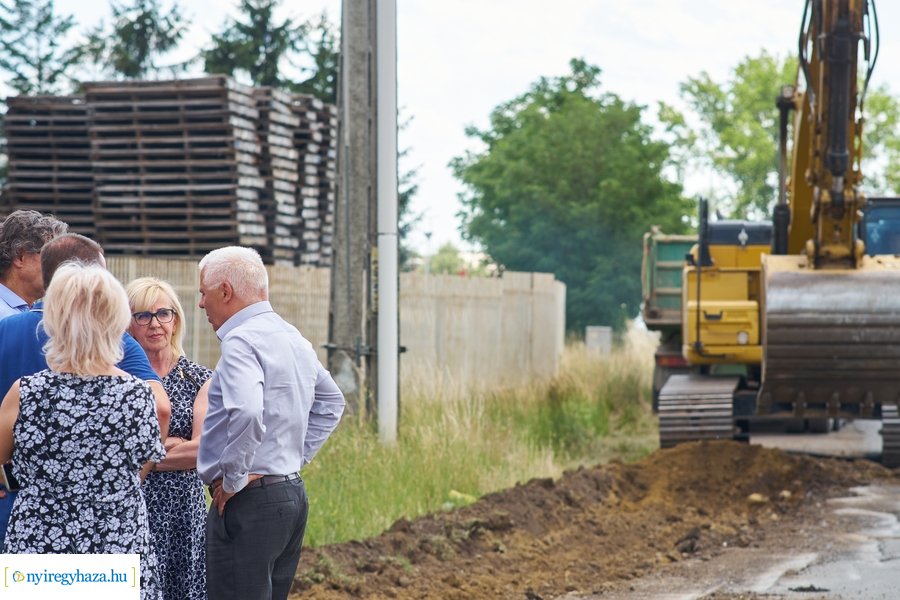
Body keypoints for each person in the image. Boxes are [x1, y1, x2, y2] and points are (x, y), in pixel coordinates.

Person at [0, 262, 166, 600]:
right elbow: (146, 457)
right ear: (116, 320)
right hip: (117, 539)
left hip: (39, 542)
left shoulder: (26, 392)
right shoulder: (137, 395)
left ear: (55, 321)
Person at [196, 246, 345, 600]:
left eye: (203, 293)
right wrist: (294, 458)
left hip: (248, 501)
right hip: (289, 495)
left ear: (226, 292)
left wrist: (233, 479)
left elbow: (247, 412)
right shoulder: (292, 337)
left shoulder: (241, 340)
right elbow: (332, 402)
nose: (201, 304)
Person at [127, 277, 210, 600]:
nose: (155, 324)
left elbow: (205, 449)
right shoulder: (119, 379)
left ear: (176, 320)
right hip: (131, 503)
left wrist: (144, 455)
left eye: (164, 313)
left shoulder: (199, 379)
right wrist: (171, 446)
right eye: (143, 315)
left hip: (182, 512)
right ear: (128, 324)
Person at [0, 209, 68, 320]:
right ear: (20, 256)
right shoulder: (4, 316)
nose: (61, 266)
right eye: (52, 255)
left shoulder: (22, 312)